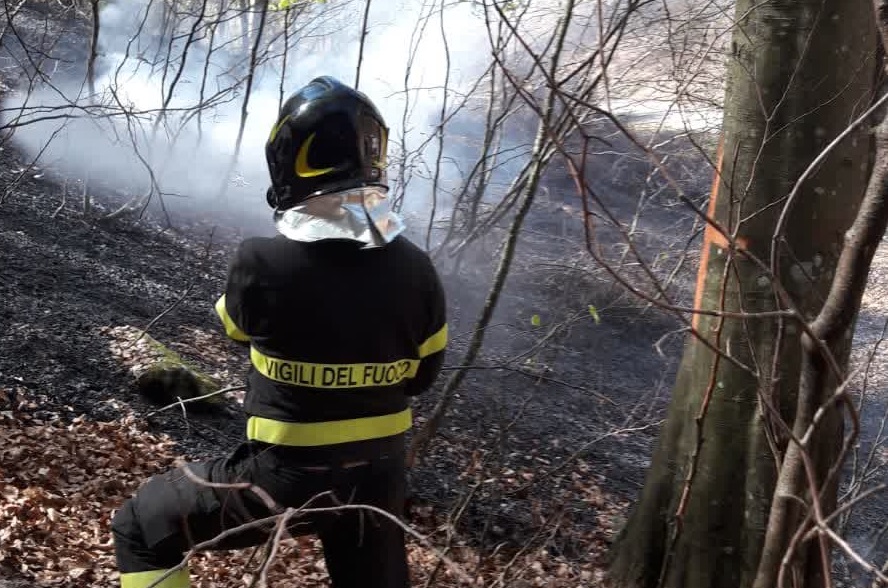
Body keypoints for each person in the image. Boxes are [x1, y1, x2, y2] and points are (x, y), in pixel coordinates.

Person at [111, 76, 448, 588]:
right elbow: (424, 376)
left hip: (288, 473)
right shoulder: (418, 268)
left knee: (142, 524)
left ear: (291, 160)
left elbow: (235, 326)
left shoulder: (262, 260)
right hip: (381, 477)